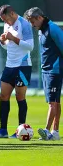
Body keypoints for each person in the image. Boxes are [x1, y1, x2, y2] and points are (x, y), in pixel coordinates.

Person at [0, 5, 34, 139]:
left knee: (20, 97)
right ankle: (3, 130)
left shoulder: (24, 24)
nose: (5, 22)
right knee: (3, 96)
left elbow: (30, 46)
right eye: (3, 20)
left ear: (12, 13)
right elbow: (8, 47)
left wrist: (13, 38)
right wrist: (3, 42)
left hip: (22, 65)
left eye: (6, 19)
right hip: (9, 65)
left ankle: (21, 130)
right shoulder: (6, 25)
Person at [25, 7, 62, 141]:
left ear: (39, 18)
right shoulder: (42, 30)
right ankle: (55, 132)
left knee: (52, 102)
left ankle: (47, 130)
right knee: (56, 101)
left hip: (54, 70)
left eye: (32, 21)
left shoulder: (53, 28)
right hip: (46, 69)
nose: (31, 24)